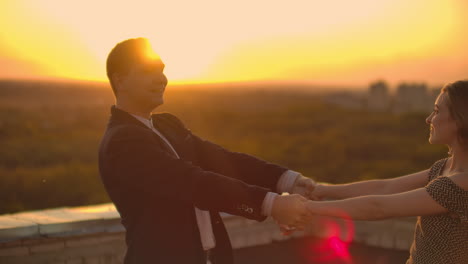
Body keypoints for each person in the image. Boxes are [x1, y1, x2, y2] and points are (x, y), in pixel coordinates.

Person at [98, 37, 316, 264]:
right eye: (147, 71)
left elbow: (221, 159)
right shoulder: (122, 140)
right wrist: (271, 204)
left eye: (161, 70)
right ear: (120, 81)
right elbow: (191, 182)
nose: (161, 79)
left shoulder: (167, 125)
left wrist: (288, 181)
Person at [307, 80, 468, 263]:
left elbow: (378, 208)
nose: (429, 118)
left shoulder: (461, 184)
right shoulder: (444, 167)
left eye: (437, 111)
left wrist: (307, 207)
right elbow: (386, 187)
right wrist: (322, 190)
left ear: (459, 120)